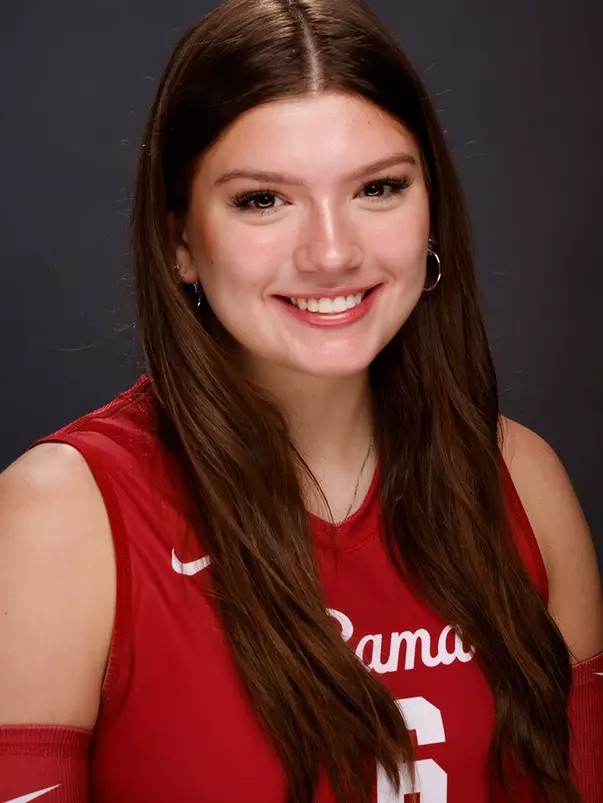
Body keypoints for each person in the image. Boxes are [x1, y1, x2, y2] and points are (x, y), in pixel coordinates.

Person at [0, 0, 602, 801]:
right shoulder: (58, 519)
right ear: (179, 240)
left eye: (377, 187)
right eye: (262, 200)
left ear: (431, 210)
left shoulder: (520, 480)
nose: (330, 252)